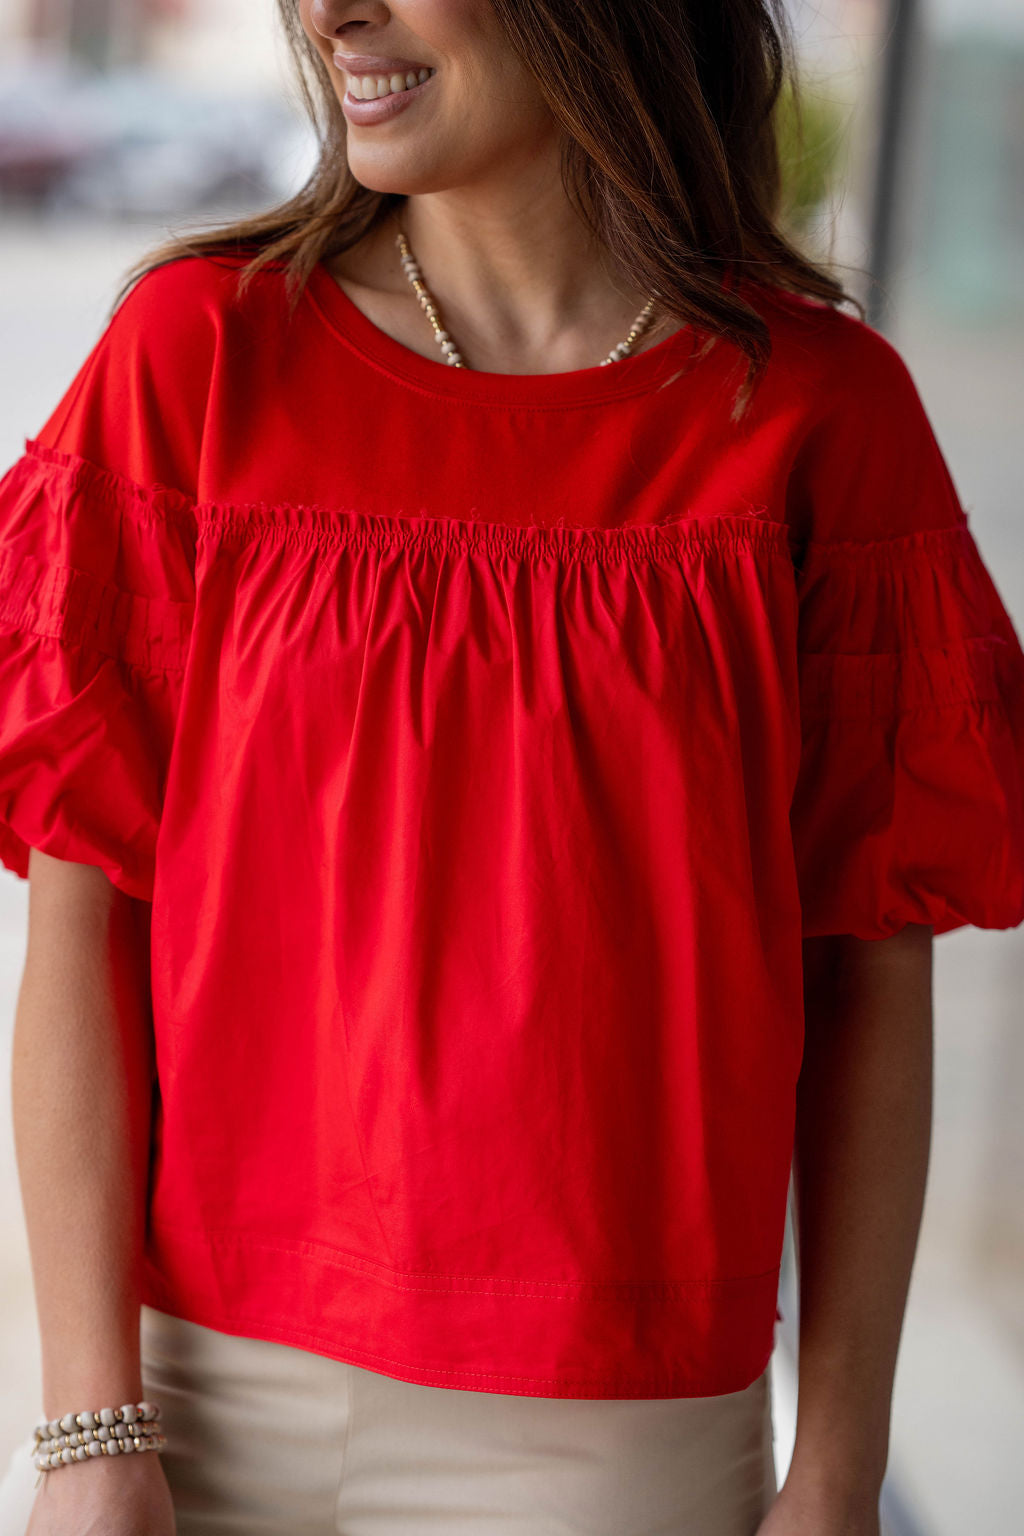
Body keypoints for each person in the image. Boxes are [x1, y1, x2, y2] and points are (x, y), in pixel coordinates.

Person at [1, 0, 1023, 1533]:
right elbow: (84, 918)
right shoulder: (199, 357)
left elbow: (872, 970)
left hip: (617, 1434)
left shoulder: (819, 414)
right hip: (199, 1388)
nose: (333, 13)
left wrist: (837, 1468)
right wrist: (90, 1422)